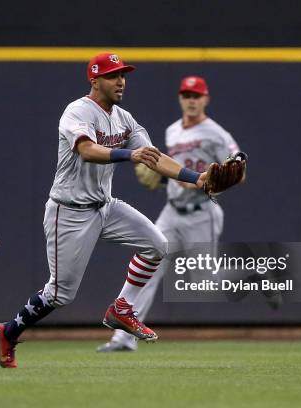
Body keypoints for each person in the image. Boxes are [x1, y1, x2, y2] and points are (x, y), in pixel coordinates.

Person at [0, 54, 216, 368]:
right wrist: (130, 154)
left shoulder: (125, 118)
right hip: (69, 211)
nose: (120, 81)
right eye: (112, 76)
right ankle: (8, 332)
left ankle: (122, 307)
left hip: (105, 206)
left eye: (123, 75)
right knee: (60, 295)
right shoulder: (77, 111)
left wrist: (197, 178)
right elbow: (87, 150)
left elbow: (154, 157)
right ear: (94, 81)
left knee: (157, 245)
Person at [97, 76, 240, 352]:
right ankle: (123, 338)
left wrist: (224, 176)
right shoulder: (173, 131)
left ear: (206, 99)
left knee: (204, 282)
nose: (191, 100)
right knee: (150, 264)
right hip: (172, 212)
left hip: (202, 213)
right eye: (186, 95)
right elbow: (171, 172)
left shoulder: (216, 133)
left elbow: (237, 165)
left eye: (196, 95)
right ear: (180, 99)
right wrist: (162, 180)